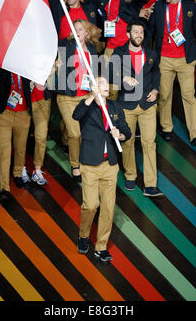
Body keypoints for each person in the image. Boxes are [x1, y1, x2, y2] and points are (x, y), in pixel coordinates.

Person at [73, 75, 131, 262]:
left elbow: (127, 131)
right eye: (101, 84)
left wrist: (120, 135)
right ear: (93, 87)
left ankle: (101, 246)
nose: (106, 86)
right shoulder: (87, 106)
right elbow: (76, 115)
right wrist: (91, 95)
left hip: (110, 165)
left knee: (107, 207)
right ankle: (83, 236)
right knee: (90, 205)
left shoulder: (115, 107)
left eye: (106, 83)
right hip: (90, 164)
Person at [147, 0, 196, 145]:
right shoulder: (160, 7)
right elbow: (151, 30)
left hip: (186, 59)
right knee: (165, 95)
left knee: (189, 95)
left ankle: (195, 133)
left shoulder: (190, 6)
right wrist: (147, 54)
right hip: (165, 59)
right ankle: (166, 127)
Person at [110, 20, 162, 196]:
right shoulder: (119, 52)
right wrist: (123, 78)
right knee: (128, 141)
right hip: (127, 105)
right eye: (135, 32)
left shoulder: (152, 53)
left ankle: (150, 184)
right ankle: (130, 176)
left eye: (141, 32)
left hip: (147, 105)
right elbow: (110, 72)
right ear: (128, 34)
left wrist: (156, 90)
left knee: (149, 143)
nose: (139, 35)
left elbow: (156, 72)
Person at [56, 19, 100, 181]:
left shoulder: (92, 49)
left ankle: (83, 159)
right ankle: (75, 165)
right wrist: (56, 63)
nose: (77, 32)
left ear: (87, 33)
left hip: (86, 97)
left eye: (80, 29)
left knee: (85, 132)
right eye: (75, 29)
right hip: (67, 98)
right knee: (75, 134)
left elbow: (93, 73)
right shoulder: (65, 47)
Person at [0, 66, 32, 202]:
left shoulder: (27, 68)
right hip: (4, 114)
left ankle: (18, 173)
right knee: (4, 152)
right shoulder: (3, 67)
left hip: (23, 113)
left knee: (21, 148)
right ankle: (4, 187)